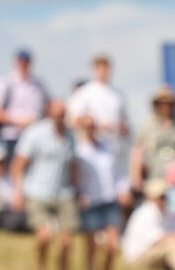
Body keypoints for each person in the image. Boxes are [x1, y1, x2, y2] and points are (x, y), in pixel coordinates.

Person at [14, 100, 79, 270]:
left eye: (62, 113)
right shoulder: (35, 133)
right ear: (49, 113)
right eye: (56, 112)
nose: (59, 116)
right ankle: (41, 266)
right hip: (37, 192)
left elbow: (73, 167)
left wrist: (77, 189)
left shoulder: (70, 137)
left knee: (66, 242)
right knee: (44, 236)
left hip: (64, 193)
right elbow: (18, 163)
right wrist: (17, 192)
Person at [76, 113, 130, 270]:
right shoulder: (78, 150)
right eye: (86, 126)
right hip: (90, 201)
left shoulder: (108, 147)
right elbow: (75, 177)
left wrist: (123, 190)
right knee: (91, 245)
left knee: (112, 245)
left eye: (92, 126)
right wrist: (79, 194)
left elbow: (119, 172)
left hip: (110, 199)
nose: (90, 129)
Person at [0, 48, 49, 166]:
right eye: (20, 61)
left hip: (35, 137)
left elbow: (47, 107)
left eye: (26, 61)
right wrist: (21, 122)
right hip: (12, 137)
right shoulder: (5, 83)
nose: (23, 64)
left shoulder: (39, 84)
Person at [68, 54, 131, 140]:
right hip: (92, 144)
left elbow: (125, 123)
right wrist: (96, 125)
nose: (103, 72)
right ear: (94, 70)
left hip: (115, 144)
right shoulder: (84, 92)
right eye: (100, 69)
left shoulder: (118, 95)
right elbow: (73, 120)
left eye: (106, 69)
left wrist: (117, 127)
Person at [122, 178, 175, 269]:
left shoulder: (161, 211)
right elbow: (159, 238)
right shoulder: (148, 211)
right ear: (152, 197)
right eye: (162, 196)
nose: (165, 199)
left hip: (149, 253)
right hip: (138, 258)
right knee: (172, 246)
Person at [135, 86, 175, 205]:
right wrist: (136, 179)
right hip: (155, 181)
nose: (164, 107)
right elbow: (138, 151)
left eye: (168, 103)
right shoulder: (148, 126)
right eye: (161, 103)